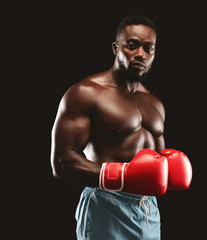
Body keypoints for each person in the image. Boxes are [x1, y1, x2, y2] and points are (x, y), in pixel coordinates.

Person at [50, 15, 192, 240]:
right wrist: (123, 175)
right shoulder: (86, 93)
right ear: (116, 47)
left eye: (149, 48)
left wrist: (171, 169)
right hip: (105, 206)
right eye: (132, 45)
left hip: (148, 210)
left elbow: (153, 165)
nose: (140, 54)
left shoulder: (155, 104)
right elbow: (61, 162)